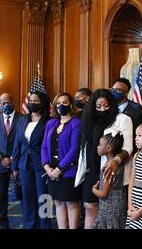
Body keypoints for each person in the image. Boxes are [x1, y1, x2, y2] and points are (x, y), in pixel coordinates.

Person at [79, 89, 133, 228]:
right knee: (89, 206)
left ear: (112, 104)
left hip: (110, 170)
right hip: (92, 169)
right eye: (98, 106)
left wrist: (116, 160)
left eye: (106, 105)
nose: (102, 109)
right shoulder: (90, 120)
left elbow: (128, 148)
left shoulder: (123, 119)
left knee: (107, 213)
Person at [12, 91, 51, 229]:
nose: (32, 103)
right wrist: (14, 167)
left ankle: (45, 225)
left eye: (36, 100)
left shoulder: (48, 121)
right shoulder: (22, 120)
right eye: (31, 100)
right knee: (27, 197)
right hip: (24, 164)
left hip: (42, 164)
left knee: (44, 197)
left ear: (43, 102)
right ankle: (30, 225)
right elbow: (17, 144)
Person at [42, 92, 81, 229]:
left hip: (68, 171)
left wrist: (59, 169)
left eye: (64, 102)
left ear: (70, 105)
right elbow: (44, 147)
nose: (61, 105)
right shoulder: (50, 123)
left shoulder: (76, 122)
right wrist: (47, 167)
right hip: (51, 171)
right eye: (58, 103)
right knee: (58, 203)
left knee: (71, 203)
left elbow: (75, 149)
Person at [0, 93, 23, 229]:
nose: (5, 105)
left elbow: (24, 142)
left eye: (8, 102)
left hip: (19, 163)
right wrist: (0, 159)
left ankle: (29, 222)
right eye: (3, 103)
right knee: (0, 196)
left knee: (24, 194)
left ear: (13, 103)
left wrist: (13, 159)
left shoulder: (23, 119)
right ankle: (3, 224)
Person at [92, 133, 126, 229]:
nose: (97, 147)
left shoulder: (109, 167)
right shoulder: (118, 164)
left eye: (100, 145)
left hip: (110, 207)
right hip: (118, 203)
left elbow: (103, 193)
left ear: (109, 148)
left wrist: (94, 189)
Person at [110, 77, 142, 153]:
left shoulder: (136, 109)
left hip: (129, 150)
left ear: (126, 94)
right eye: (112, 90)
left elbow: (139, 131)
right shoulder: (109, 107)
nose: (113, 92)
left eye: (117, 90)